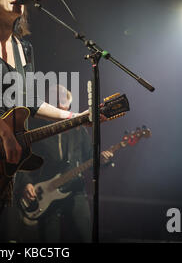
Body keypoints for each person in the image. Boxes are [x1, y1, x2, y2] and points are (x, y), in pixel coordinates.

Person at [0, 0, 107, 242]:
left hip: (4, 158)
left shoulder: (24, 48)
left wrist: (77, 116)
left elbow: (30, 101)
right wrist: (4, 131)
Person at [17, 85, 113, 243]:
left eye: (63, 102)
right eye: (54, 101)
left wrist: (103, 160)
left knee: (85, 236)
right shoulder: (35, 128)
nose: (59, 105)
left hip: (75, 190)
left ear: (68, 106)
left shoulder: (79, 130)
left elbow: (89, 157)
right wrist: (26, 183)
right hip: (44, 193)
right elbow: (22, 158)